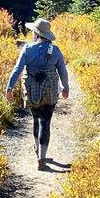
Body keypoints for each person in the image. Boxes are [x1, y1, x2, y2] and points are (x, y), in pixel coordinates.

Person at [5, 18, 69, 168]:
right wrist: (66, 88)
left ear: (36, 34)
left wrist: (9, 88)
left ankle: (36, 150)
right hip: (50, 90)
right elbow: (63, 72)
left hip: (32, 89)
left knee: (36, 119)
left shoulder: (27, 49)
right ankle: (42, 156)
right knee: (45, 122)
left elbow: (17, 70)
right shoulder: (56, 50)